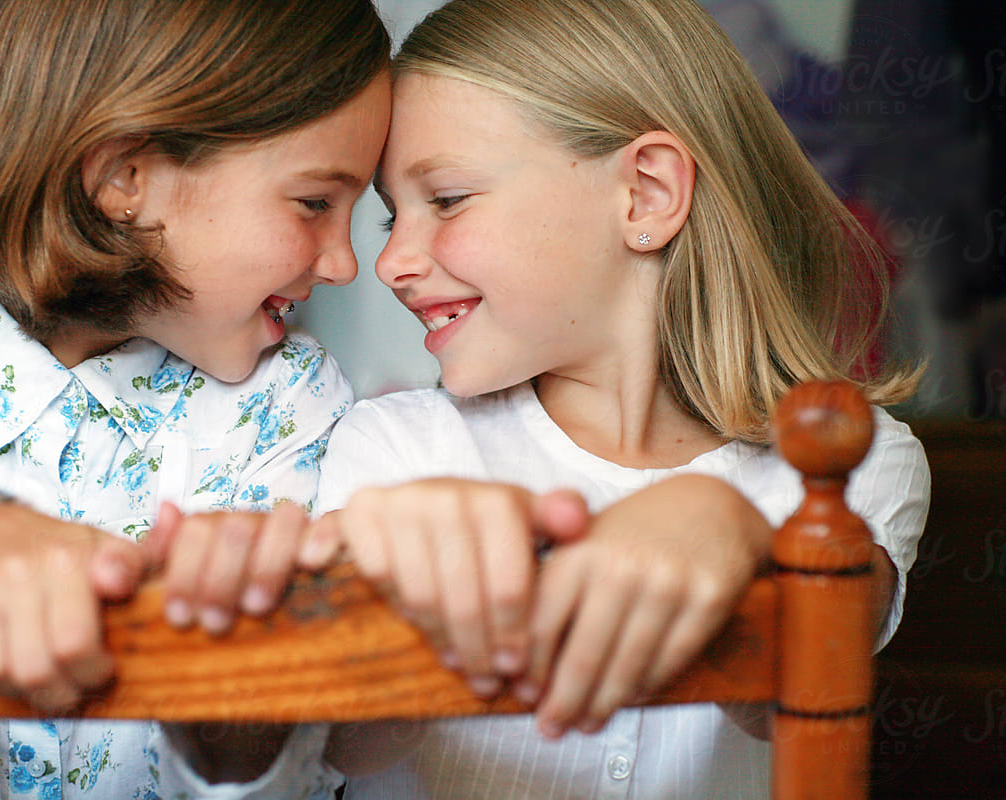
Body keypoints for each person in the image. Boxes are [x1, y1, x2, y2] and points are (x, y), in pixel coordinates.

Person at [304, 0, 932, 797]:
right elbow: (339, 747)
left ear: (645, 193)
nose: (391, 260)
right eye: (393, 216)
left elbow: (805, 690)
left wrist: (728, 526)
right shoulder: (393, 447)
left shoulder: (847, 461)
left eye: (450, 199)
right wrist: (404, 605)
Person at [0, 0, 390, 797]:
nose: (342, 264)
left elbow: (288, 759)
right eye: (315, 203)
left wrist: (235, 686)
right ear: (127, 178)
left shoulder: (292, 400)